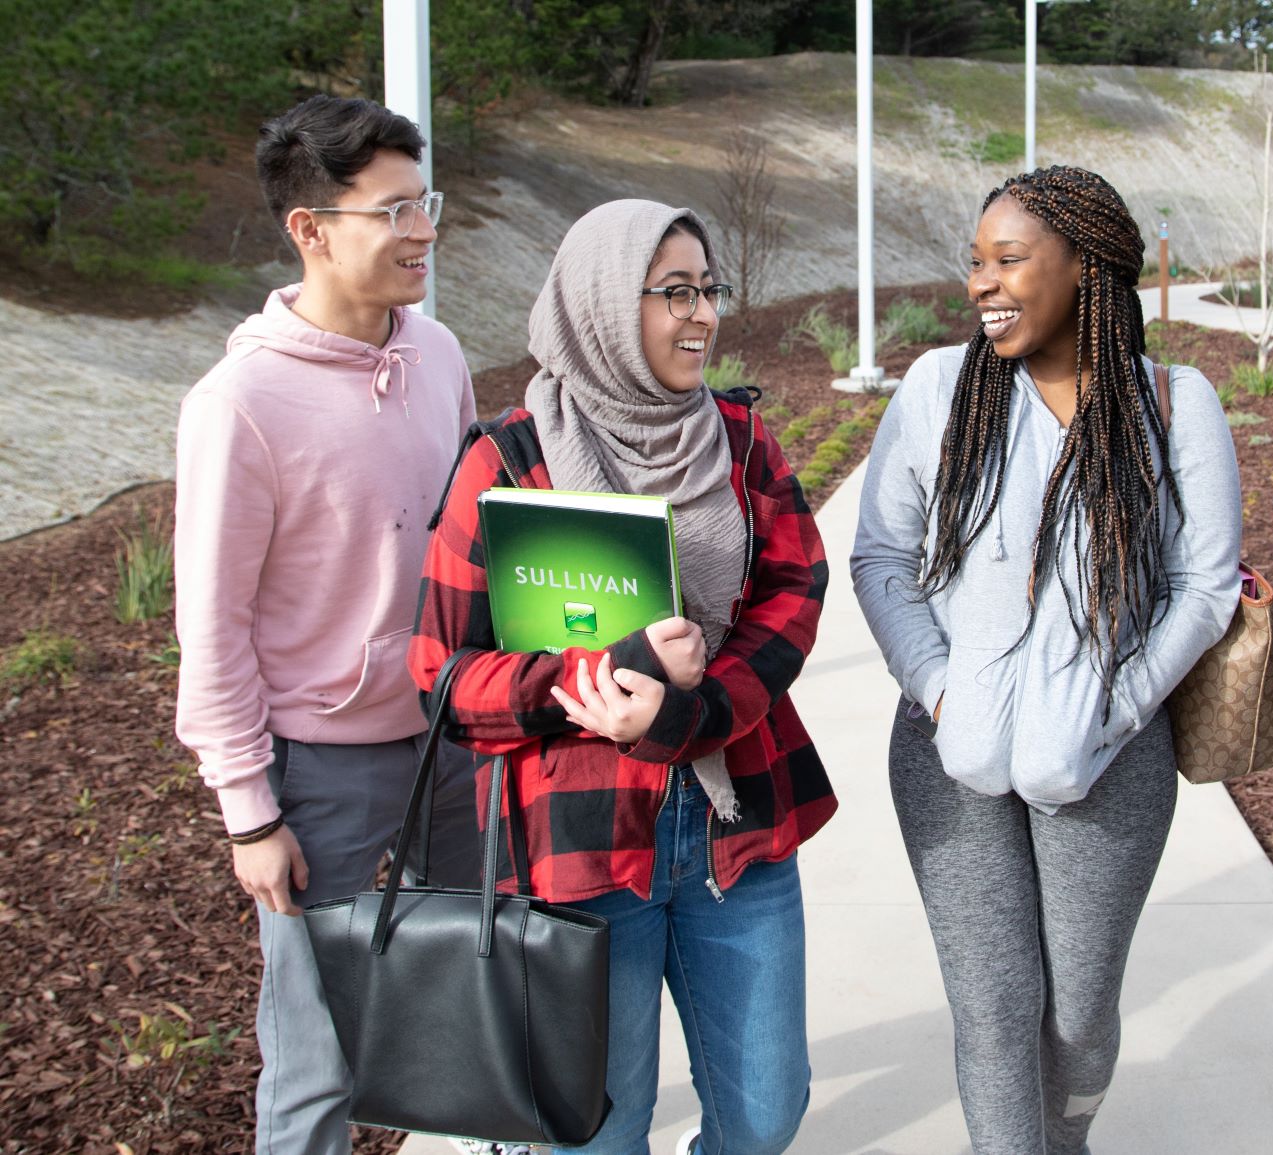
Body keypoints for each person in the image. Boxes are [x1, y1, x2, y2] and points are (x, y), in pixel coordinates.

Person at [410, 199, 836, 1155]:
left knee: (767, 1111)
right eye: (673, 292)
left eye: (708, 289)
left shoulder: (736, 438)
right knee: (597, 1131)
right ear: (603, 304)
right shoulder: (509, 459)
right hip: (579, 842)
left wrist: (697, 706)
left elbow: (795, 589)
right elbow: (440, 672)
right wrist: (608, 673)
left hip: (737, 824)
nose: (702, 314)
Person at [850, 166, 1243, 1154]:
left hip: (1103, 760)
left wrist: (1121, 706)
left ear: (1084, 265)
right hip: (951, 756)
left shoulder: (1171, 402)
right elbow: (881, 556)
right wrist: (938, 692)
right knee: (991, 1008)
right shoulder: (940, 389)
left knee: (1076, 1018)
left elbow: (1205, 585)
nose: (982, 283)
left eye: (1009, 260)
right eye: (973, 262)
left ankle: (1065, 1134)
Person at [173, 94, 481, 1154]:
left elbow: (472, 546)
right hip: (321, 774)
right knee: (319, 1058)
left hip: (453, 744)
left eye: (424, 203)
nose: (424, 232)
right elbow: (210, 628)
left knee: (470, 999)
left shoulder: (437, 354)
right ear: (309, 228)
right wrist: (249, 814)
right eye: (393, 212)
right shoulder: (239, 403)